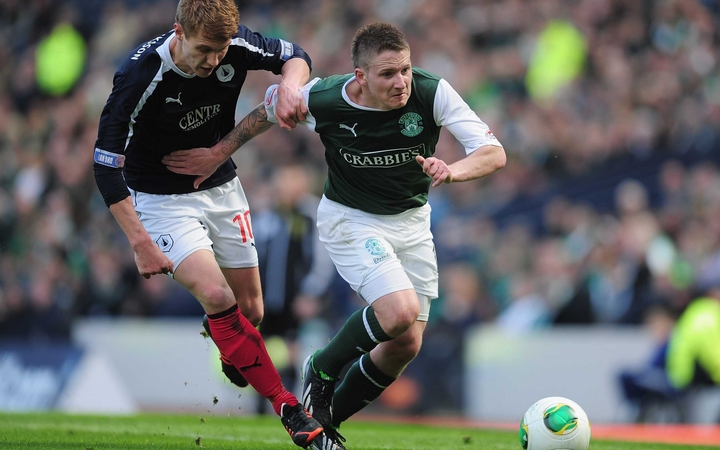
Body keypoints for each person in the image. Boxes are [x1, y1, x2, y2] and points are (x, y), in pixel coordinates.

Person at [163, 22, 506, 449]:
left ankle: (321, 430)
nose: (400, 82)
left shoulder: (431, 92)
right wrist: (217, 153)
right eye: (387, 74)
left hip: (412, 222)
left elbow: (494, 153)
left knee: (406, 344)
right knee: (399, 312)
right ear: (359, 77)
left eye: (405, 70)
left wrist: (453, 171)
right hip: (351, 218)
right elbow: (267, 112)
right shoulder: (325, 99)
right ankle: (321, 370)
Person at [91, 0, 323, 447]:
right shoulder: (139, 74)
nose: (214, 60)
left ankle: (234, 343)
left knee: (251, 312)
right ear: (178, 31)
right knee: (217, 296)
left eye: (220, 51)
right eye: (204, 50)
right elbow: (104, 166)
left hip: (221, 189)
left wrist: (291, 88)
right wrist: (139, 242)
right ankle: (289, 408)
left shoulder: (232, 43)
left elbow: (296, 57)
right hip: (161, 201)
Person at [251, 165, 336, 415]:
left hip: (297, 299)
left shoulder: (311, 214)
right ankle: (262, 405)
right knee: (262, 350)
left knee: (295, 351)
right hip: (266, 298)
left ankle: (293, 405)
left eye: (289, 182)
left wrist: (311, 293)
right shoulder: (268, 214)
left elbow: (322, 258)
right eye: (281, 183)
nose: (283, 188)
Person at [618, 289, 720, 424]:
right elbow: (714, 350)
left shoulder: (693, 312)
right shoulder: (714, 312)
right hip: (696, 371)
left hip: (682, 373)